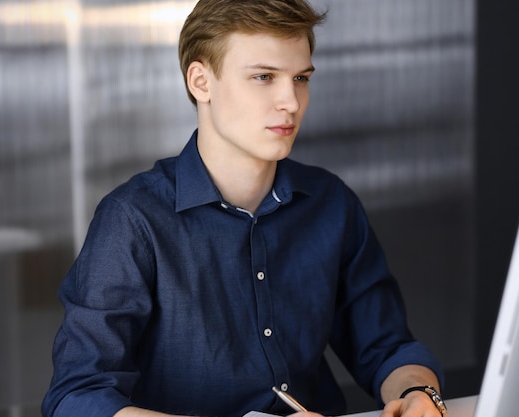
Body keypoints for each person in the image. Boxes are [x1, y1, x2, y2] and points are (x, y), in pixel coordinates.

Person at [42, 1, 446, 416]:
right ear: (201, 82)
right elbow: (77, 396)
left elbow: (386, 346)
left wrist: (419, 393)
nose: (290, 101)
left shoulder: (331, 203)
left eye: (301, 78)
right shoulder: (133, 219)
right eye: (263, 77)